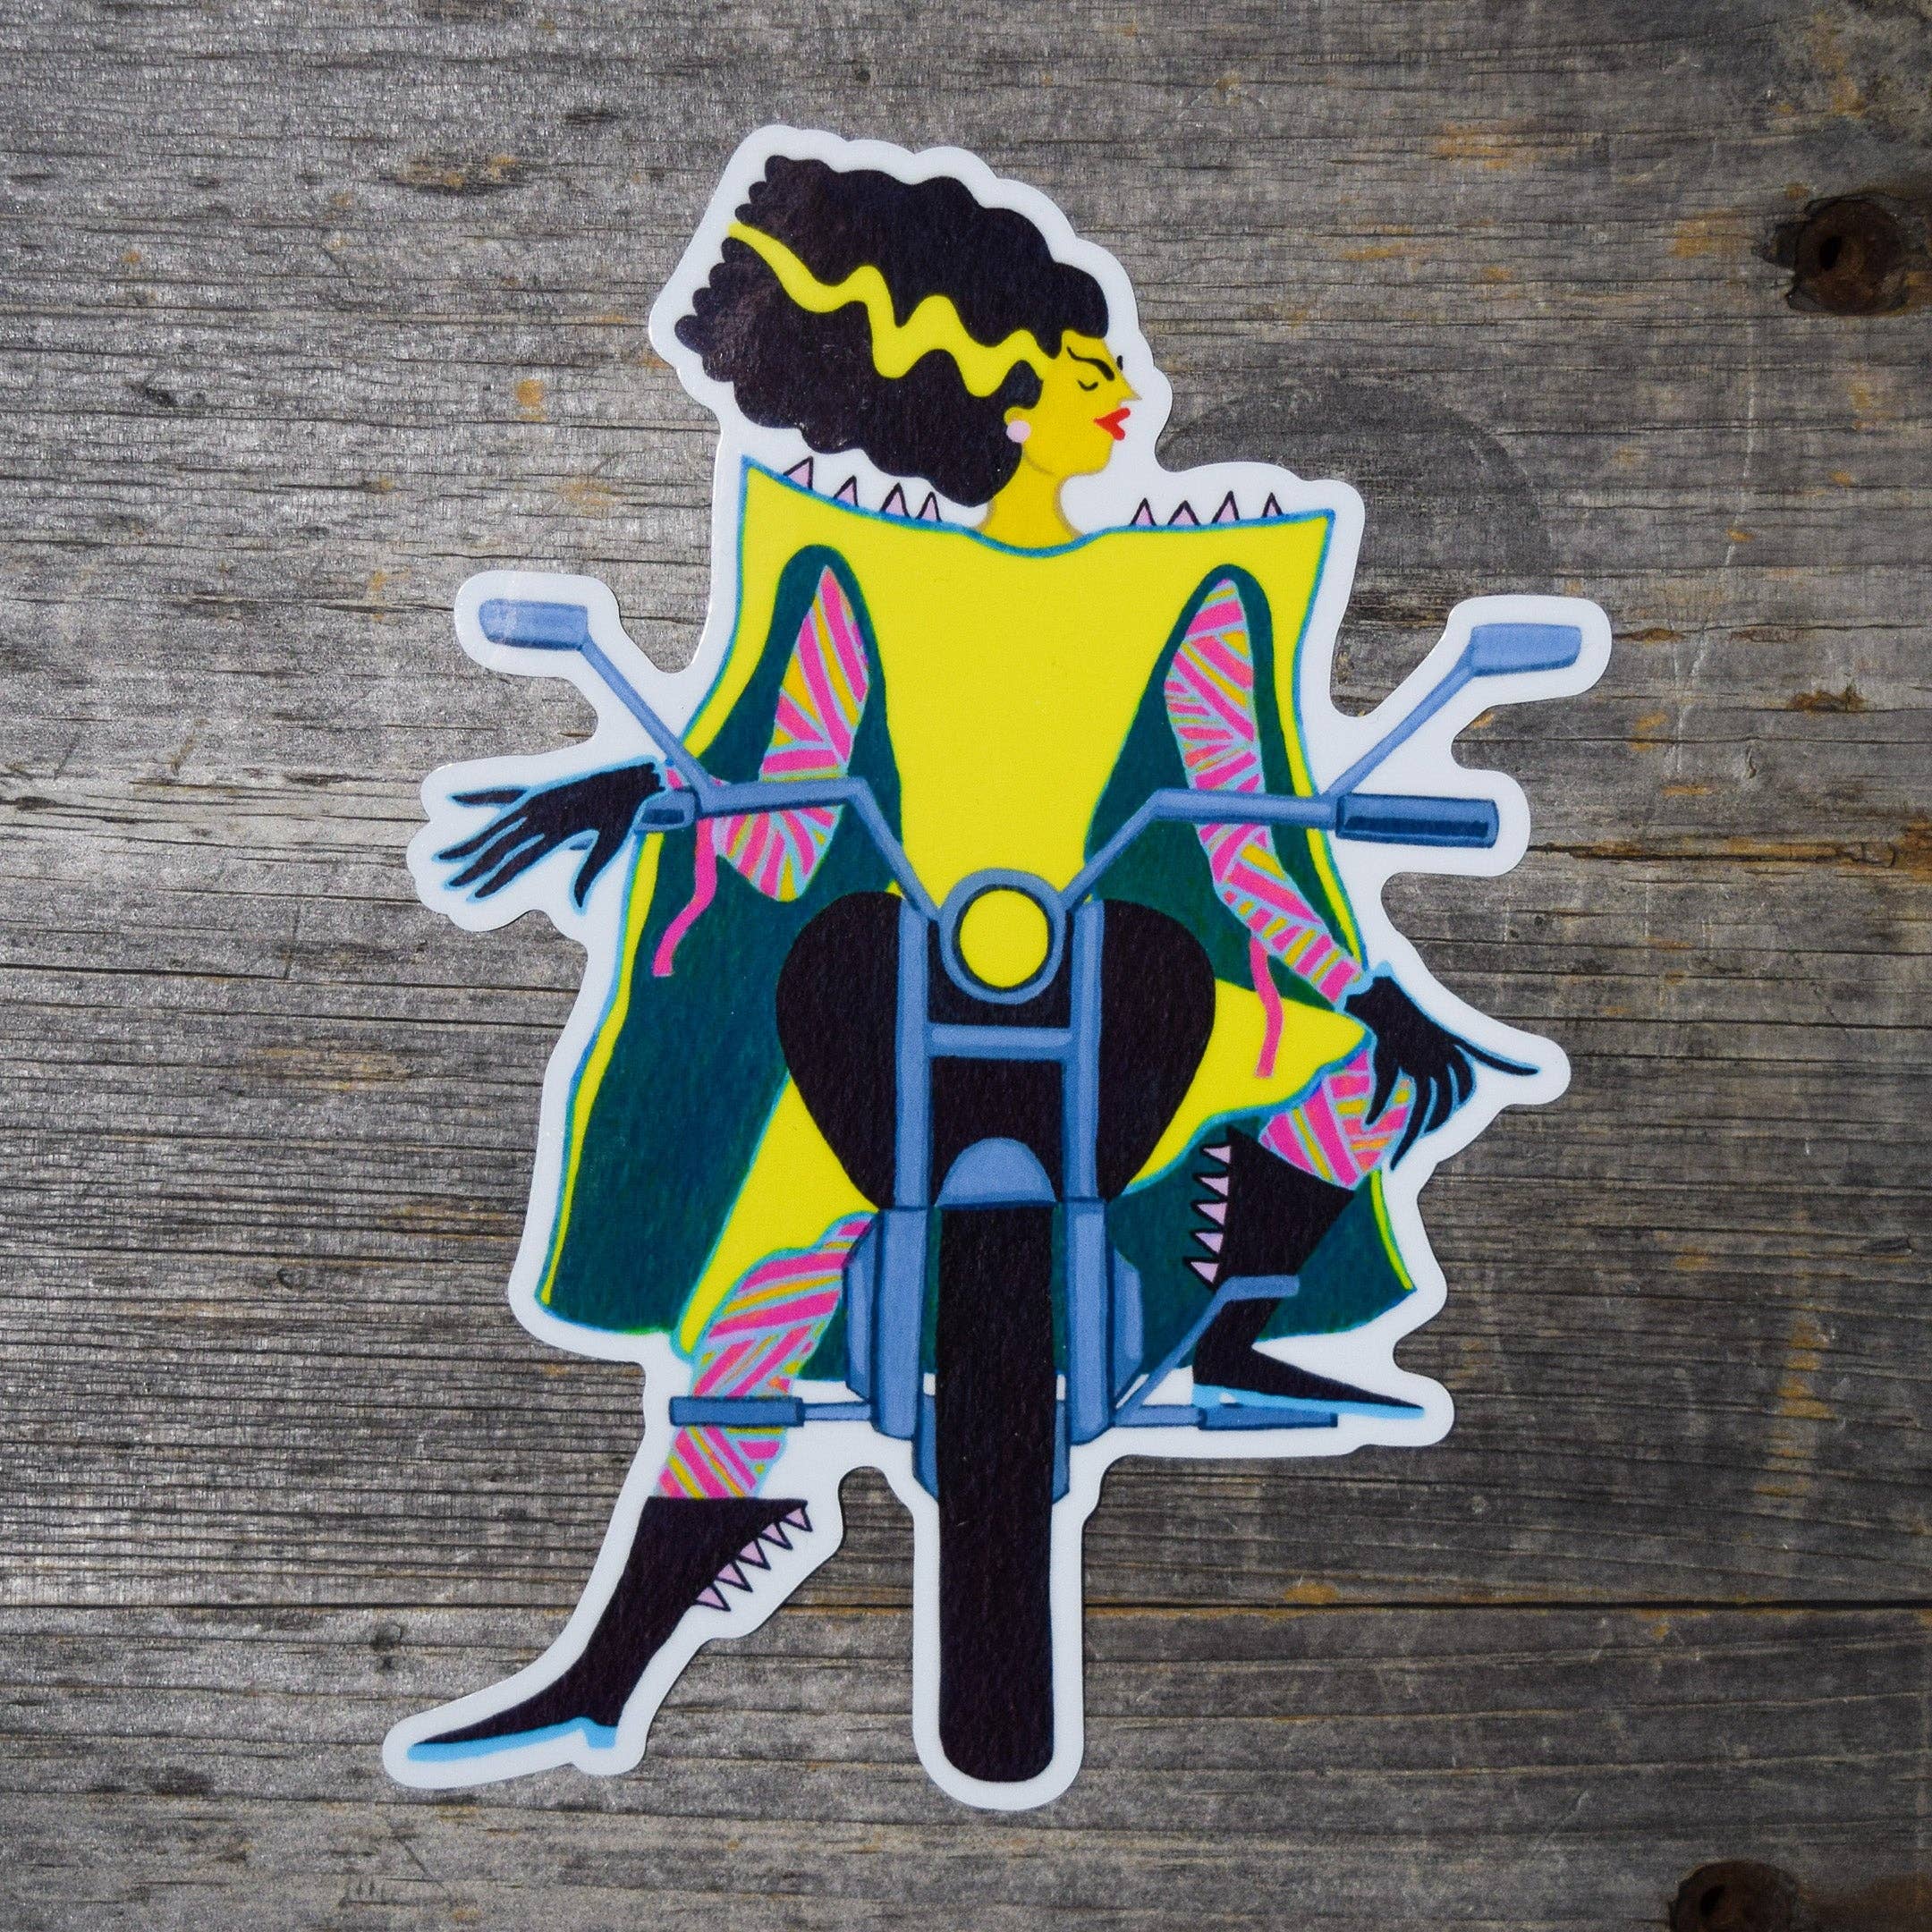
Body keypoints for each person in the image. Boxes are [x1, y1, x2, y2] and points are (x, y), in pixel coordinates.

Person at [402, 146, 1517, 1771]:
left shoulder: (1187, 582)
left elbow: (1231, 827)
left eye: (1113, 367)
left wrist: (1367, 983)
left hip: (1123, 979)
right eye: (1087, 370)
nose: (1127, 394)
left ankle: (1233, 1320)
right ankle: (608, 1670)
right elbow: (785, 826)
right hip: (896, 990)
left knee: (1359, 1069)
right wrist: (651, 789)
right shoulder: (862, 568)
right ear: (1001, 389)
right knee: (745, 1322)